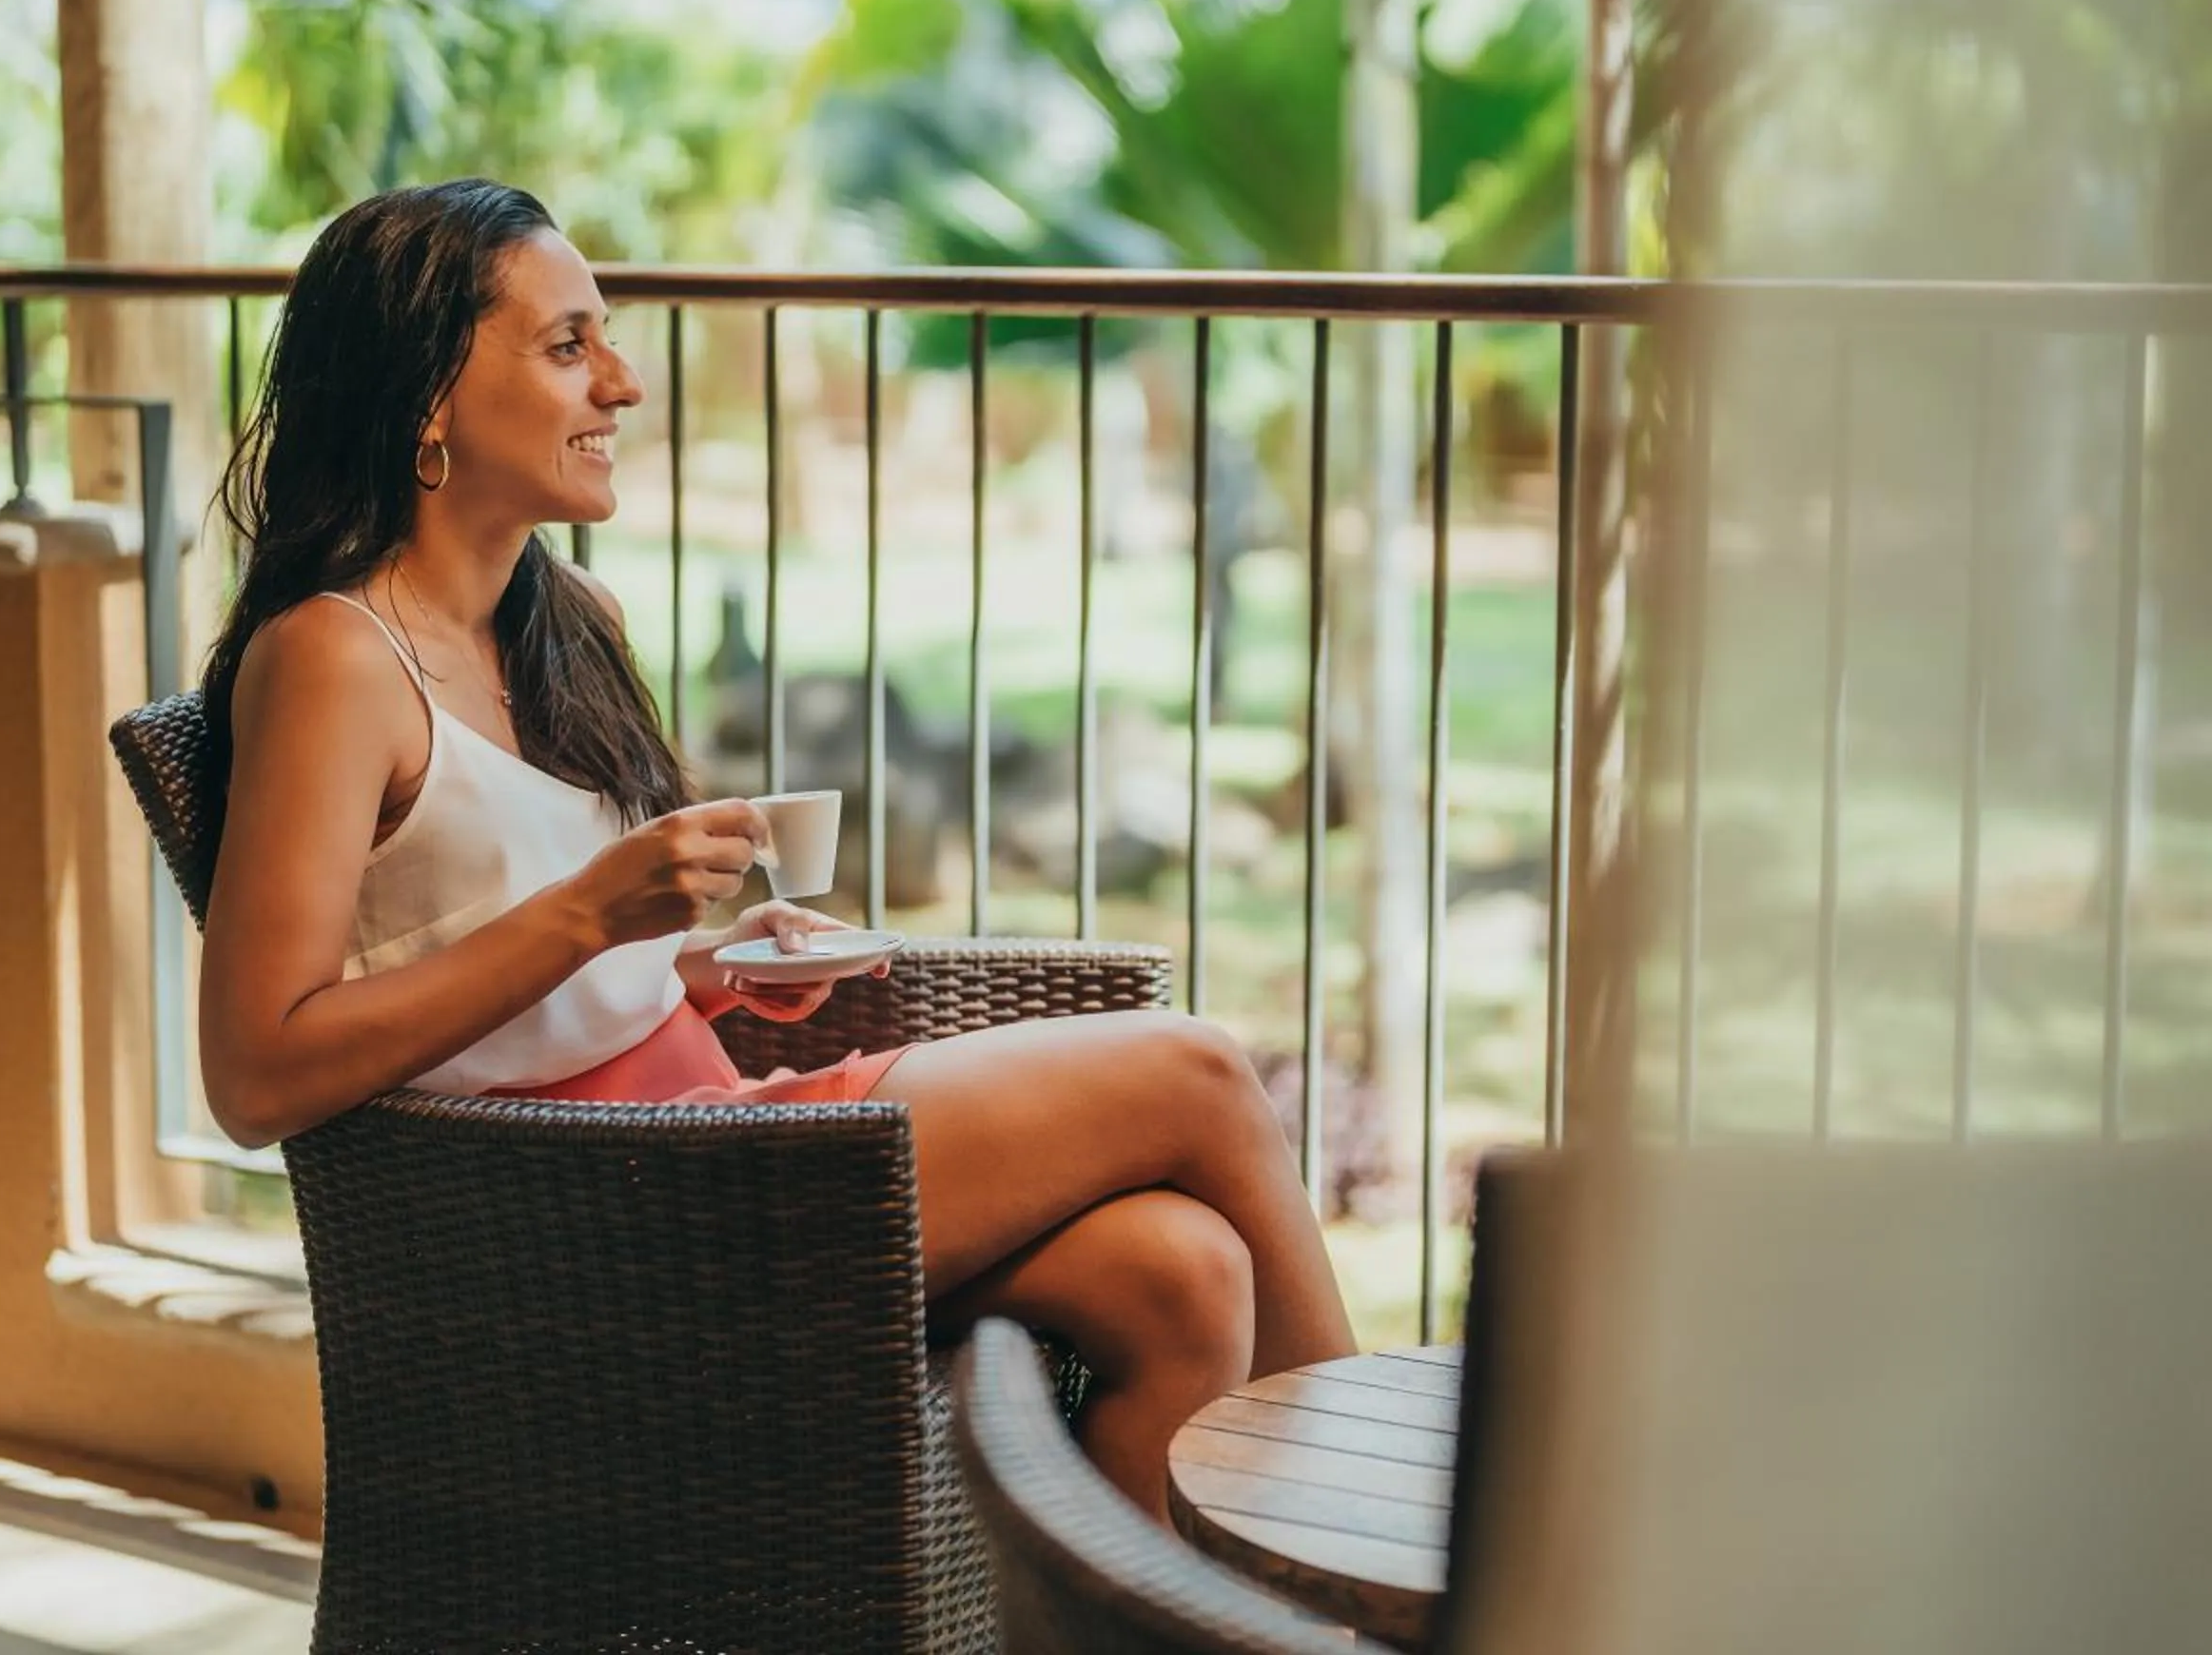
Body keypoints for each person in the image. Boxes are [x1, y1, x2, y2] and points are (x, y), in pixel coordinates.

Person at [195, 178, 1356, 1518]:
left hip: (709, 1138)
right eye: (569, 345)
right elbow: (257, 1069)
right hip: (598, 1211)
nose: (622, 384)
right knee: (1200, 1070)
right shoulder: (334, 659)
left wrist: (695, 963)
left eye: (606, 339)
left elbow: (479, 938)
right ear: (429, 397)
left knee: (1182, 1273)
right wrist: (588, 916)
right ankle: (1368, 1563)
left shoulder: (568, 619)